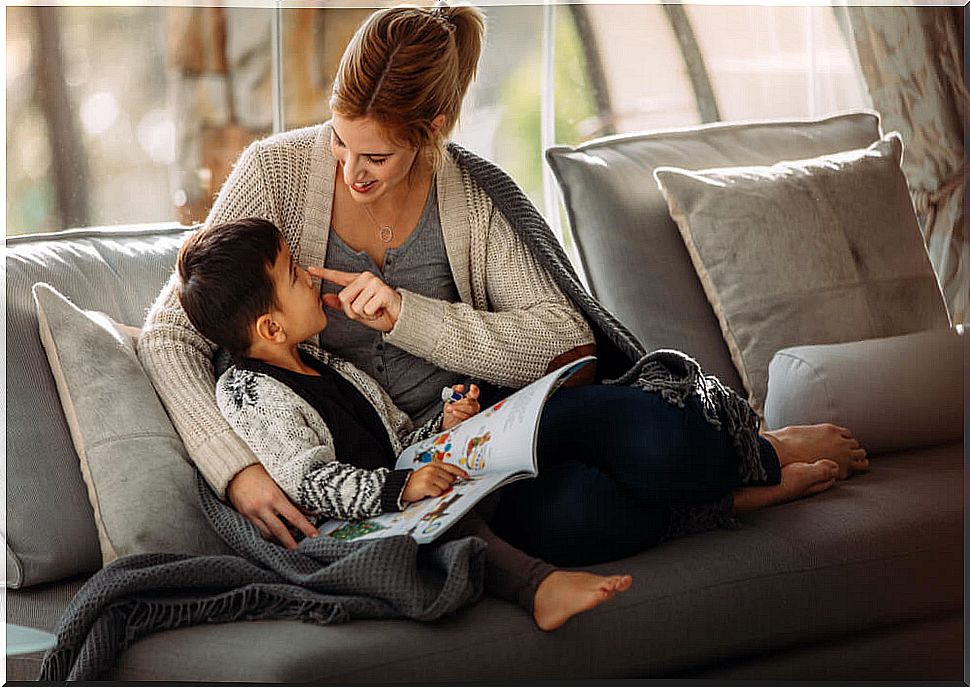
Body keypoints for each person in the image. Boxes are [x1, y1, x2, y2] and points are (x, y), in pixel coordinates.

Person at [138, 2, 868, 568]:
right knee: (579, 516)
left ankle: (749, 451)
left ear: (434, 126)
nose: (349, 172)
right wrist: (235, 471)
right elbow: (172, 330)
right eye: (338, 141)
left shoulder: (470, 198)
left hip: (495, 420)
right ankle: (733, 493)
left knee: (667, 442)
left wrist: (410, 315)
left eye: (376, 155)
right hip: (420, 472)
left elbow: (565, 338)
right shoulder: (275, 175)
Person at [175, 216, 634, 631]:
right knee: (457, 530)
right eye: (295, 275)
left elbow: (398, 441)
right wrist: (400, 488)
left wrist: (445, 424)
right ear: (271, 329)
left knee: (531, 469)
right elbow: (309, 482)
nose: (310, 275)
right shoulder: (248, 391)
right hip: (348, 527)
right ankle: (538, 587)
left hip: (402, 495)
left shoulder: (325, 363)